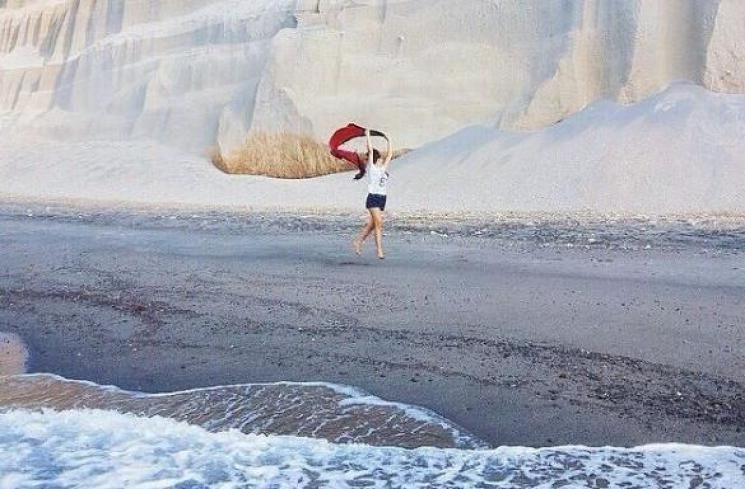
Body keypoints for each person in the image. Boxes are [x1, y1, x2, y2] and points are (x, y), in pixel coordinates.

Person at [353, 129, 392, 259]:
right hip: (373, 198)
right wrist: (368, 135)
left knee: (373, 225)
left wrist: (388, 140)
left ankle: (358, 241)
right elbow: (370, 149)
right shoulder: (372, 168)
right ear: (377, 158)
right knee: (379, 223)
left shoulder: (382, 169)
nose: (382, 158)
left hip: (382, 198)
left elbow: (390, 155)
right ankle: (379, 250)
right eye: (380, 157)